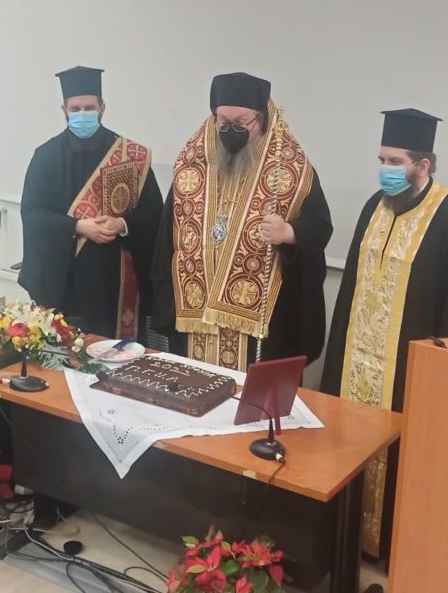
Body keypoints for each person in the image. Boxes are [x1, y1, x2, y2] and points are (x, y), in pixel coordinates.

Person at [321, 108, 448, 593]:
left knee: (404, 457)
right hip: (356, 361)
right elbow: (351, 287)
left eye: (395, 161)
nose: (385, 170)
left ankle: (393, 546)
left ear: (423, 164)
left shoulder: (445, 215)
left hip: (408, 371)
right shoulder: (374, 205)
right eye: (381, 160)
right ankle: (344, 540)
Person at [151, 72, 332, 370]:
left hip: (261, 323)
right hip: (195, 316)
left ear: (262, 118)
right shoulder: (191, 167)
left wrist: (290, 233)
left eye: (241, 123)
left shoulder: (292, 171)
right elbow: (166, 239)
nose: (230, 130)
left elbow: (320, 227)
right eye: (222, 122)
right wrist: (166, 305)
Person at [18, 66, 163, 342]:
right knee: (69, 352)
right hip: (67, 281)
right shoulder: (46, 157)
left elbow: (155, 212)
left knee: (119, 354)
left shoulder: (130, 155)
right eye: (75, 109)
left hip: (117, 282)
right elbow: (33, 214)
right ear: (64, 109)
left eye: (89, 108)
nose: (82, 114)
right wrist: (77, 226)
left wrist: (122, 224)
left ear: (102, 108)